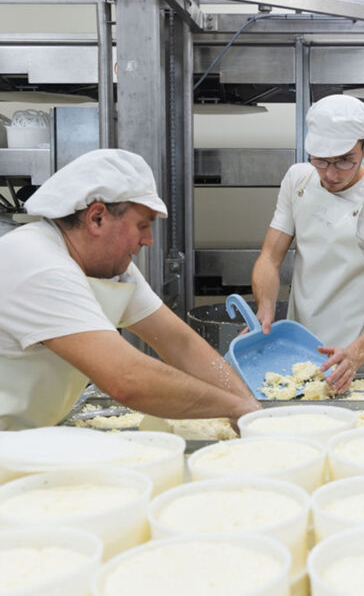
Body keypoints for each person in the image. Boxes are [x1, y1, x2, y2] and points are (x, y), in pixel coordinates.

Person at [0, 149, 260, 430]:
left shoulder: (113, 268)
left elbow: (179, 343)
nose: (148, 240)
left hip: (24, 436)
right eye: (142, 225)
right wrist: (234, 407)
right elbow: (126, 379)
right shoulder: (37, 262)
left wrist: (252, 410)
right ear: (97, 217)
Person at [252, 95, 364, 394]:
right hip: (295, 354)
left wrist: (354, 355)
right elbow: (269, 257)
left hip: (357, 362)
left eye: (344, 161)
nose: (330, 174)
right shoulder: (298, 180)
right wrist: (265, 308)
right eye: (321, 160)